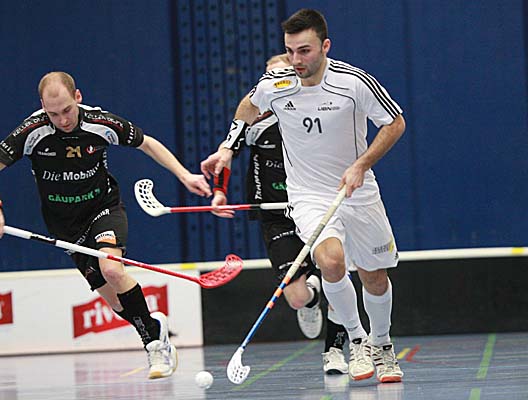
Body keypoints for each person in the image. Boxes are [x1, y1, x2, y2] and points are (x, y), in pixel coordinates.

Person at [201, 9, 405, 383]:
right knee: (330, 262)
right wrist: (228, 148)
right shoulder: (276, 84)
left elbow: (394, 123)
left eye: (305, 51)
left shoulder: (354, 82)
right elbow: (248, 107)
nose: (296, 60)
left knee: (375, 277)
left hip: (358, 192)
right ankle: (357, 340)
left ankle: (383, 343)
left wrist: (361, 164)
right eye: (290, 51)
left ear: (325, 46)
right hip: (309, 195)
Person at [0, 71, 212, 379]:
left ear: (78, 97)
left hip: (103, 208)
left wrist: (184, 175)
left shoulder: (100, 123)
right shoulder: (32, 131)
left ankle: (154, 345)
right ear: (43, 107)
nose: (62, 120)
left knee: (111, 269)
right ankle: (154, 327)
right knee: (115, 303)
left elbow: (147, 143)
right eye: (53, 114)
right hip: (65, 227)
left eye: (67, 110)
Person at [202, 53, 349, 374]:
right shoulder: (254, 124)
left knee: (334, 271)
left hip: (317, 206)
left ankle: (334, 350)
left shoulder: (313, 118)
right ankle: (312, 298)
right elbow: (228, 154)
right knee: (296, 297)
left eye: (281, 76)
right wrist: (220, 192)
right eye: (268, 79)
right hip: (277, 215)